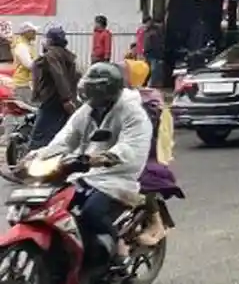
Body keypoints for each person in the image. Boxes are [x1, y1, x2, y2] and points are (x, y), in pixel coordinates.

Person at [27, 62, 151, 272]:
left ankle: (117, 252)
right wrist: (38, 154)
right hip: (86, 173)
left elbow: (130, 148)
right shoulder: (87, 110)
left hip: (117, 177)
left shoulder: (133, 114)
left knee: (91, 213)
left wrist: (103, 157)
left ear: (108, 90)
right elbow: (66, 139)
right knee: (55, 209)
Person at [112, 57, 181, 246]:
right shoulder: (113, 96)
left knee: (143, 179)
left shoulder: (148, 101)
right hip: (114, 149)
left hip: (143, 153)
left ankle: (156, 224)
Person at [29, 24, 81, 149]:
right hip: (67, 100)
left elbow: (59, 75)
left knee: (39, 135)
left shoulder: (51, 55)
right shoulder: (68, 55)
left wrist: (66, 99)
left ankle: (33, 161)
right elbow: (76, 76)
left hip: (53, 99)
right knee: (60, 132)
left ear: (50, 40)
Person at [10, 22, 37, 104]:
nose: (35, 33)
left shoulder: (27, 45)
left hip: (27, 83)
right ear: (26, 33)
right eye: (33, 31)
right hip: (22, 84)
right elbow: (29, 64)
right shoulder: (21, 46)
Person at [143, 17, 165, 88]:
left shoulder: (155, 31)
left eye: (147, 23)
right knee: (148, 70)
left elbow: (158, 44)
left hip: (154, 54)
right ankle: (145, 84)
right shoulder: (147, 31)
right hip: (148, 54)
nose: (146, 24)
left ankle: (151, 85)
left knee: (153, 71)